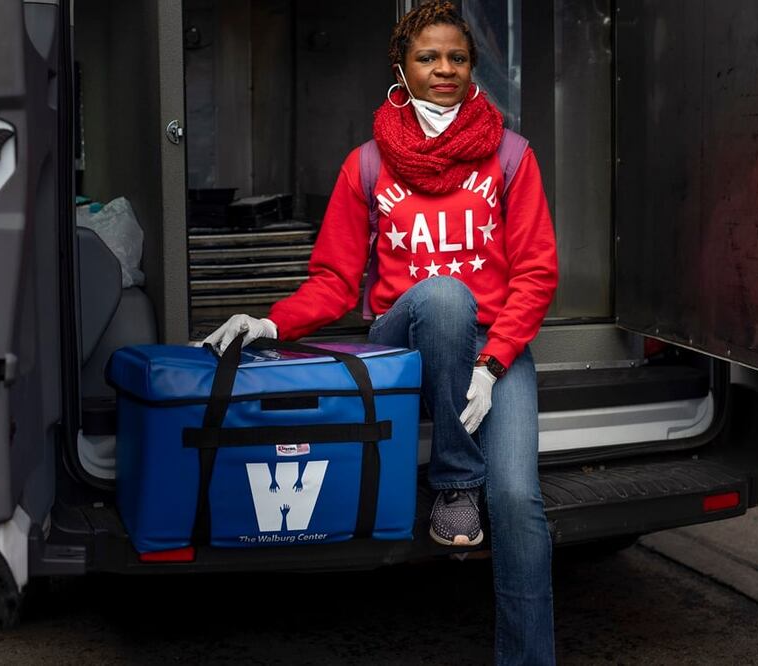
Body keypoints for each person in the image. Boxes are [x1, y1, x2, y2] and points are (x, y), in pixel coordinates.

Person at [204, 3, 558, 662]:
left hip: (494, 347)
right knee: (445, 296)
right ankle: (455, 483)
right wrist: (270, 320)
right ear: (401, 68)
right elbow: (337, 282)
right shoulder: (366, 165)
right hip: (407, 336)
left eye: (456, 56)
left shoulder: (512, 156)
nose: (443, 69)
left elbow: (536, 273)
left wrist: (494, 361)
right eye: (427, 57)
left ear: (471, 66)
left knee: (516, 500)